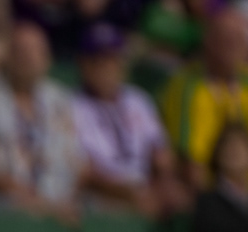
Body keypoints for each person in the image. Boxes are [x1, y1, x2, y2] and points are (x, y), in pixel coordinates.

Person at [0, 21, 85, 221]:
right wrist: (41, 203)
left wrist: (62, 200)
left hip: (53, 201)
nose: (28, 58)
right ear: (7, 57)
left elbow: (75, 162)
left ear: (48, 59)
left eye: (36, 51)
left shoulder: (59, 99)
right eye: (20, 51)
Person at [159, 5, 248, 187]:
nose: (232, 48)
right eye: (225, 40)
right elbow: (192, 166)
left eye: (238, 40)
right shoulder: (188, 86)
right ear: (208, 42)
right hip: (211, 191)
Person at [73, 23, 187, 219]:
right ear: (84, 64)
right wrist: (130, 194)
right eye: (99, 60)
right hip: (103, 194)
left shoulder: (138, 99)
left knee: (182, 198)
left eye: (114, 59)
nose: (108, 67)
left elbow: (161, 153)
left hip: (144, 187)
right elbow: (85, 172)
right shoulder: (72, 106)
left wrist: (163, 183)